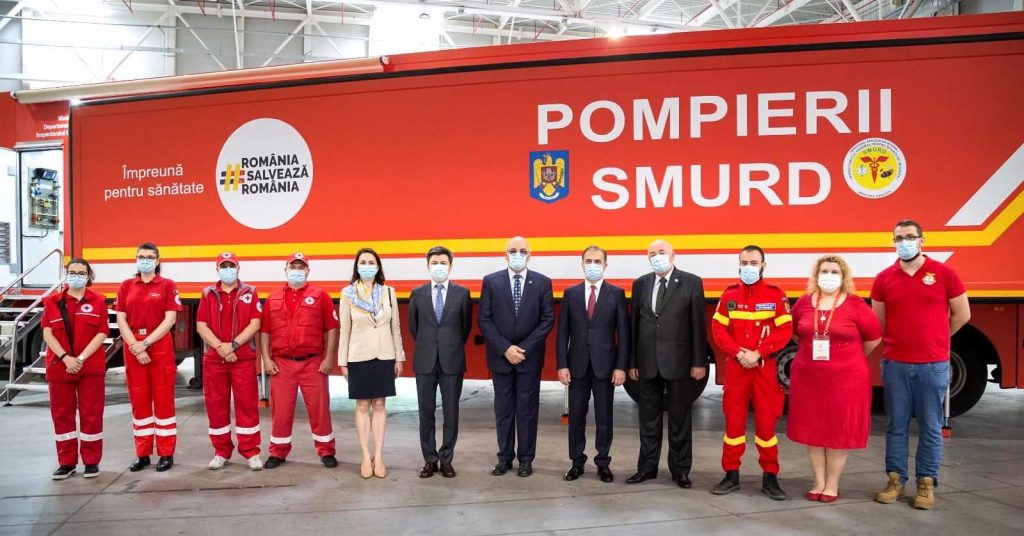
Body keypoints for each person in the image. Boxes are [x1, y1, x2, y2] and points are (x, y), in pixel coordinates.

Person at [872, 220, 970, 510]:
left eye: (910, 237)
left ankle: (926, 483)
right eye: (899, 238)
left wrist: (937, 338)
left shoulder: (944, 273)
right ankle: (895, 480)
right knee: (896, 425)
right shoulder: (884, 278)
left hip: (932, 365)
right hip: (895, 364)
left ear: (922, 240)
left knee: (930, 425)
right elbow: (879, 320)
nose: (904, 242)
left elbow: (962, 314)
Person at [786, 255, 881, 503]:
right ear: (816, 275)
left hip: (846, 380)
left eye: (834, 272)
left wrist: (848, 357)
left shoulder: (856, 304)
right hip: (809, 378)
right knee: (814, 428)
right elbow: (795, 333)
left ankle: (832, 483)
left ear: (844, 276)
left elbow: (873, 338)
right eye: (824, 271)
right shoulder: (804, 302)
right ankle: (818, 481)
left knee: (839, 430)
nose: (828, 276)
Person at [710, 246, 792, 500]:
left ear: (763, 266)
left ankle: (770, 477)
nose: (748, 267)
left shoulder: (776, 295)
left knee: (766, 427)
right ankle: (731, 475)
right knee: (733, 425)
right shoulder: (729, 295)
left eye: (753, 263)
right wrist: (738, 353)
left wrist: (758, 353)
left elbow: (785, 331)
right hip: (737, 369)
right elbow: (718, 330)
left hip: (764, 369)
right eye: (744, 263)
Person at [627, 239, 708, 488]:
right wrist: (632, 361)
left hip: (680, 363)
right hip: (647, 363)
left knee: (680, 420)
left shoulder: (691, 282)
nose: (657, 257)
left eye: (662, 252)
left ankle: (680, 470)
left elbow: (698, 325)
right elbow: (634, 326)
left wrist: (699, 362)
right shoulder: (640, 284)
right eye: (652, 254)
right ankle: (646, 468)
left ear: (673, 256)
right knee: (648, 421)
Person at [478, 236, 554, 477]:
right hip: (500, 358)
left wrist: (523, 349)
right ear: (505, 255)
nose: (517, 255)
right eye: (513, 251)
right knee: (503, 410)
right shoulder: (491, 281)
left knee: (527, 410)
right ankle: (504, 458)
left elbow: (547, 320)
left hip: (529, 359)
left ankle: (526, 459)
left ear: (530, 255)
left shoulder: (542, 282)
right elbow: (484, 319)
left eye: (522, 251)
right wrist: (505, 348)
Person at [556, 245, 629, 483]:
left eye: (598, 261)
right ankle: (576, 462)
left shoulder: (616, 294)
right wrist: (562, 364)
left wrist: (620, 366)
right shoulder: (571, 294)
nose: (593, 265)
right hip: (576, 366)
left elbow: (623, 333)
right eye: (589, 261)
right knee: (576, 416)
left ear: (605, 265)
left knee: (604, 417)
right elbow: (563, 332)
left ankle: (603, 463)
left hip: (605, 367)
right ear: (582, 264)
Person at [260, 253, 340, 469]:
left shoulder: (321, 296)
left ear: (307, 271)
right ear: (285, 270)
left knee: (320, 409)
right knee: (281, 411)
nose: (296, 271)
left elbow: (332, 328)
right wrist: (266, 359)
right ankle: (278, 452)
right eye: (293, 267)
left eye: (301, 267)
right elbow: (265, 331)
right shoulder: (273, 298)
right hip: (282, 364)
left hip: (313, 363)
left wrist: (329, 357)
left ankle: (326, 450)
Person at [338, 248, 405, 479]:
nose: (367, 266)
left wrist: (399, 356)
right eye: (363, 262)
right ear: (357, 267)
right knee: (362, 406)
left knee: (379, 405)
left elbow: (395, 327)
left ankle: (379, 455)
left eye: (371, 262)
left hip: (384, 355)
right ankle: (366, 456)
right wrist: (342, 361)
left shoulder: (388, 292)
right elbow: (344, 330)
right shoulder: (347, 293)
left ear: (378, 267)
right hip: (358, 356)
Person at [116, 243, 183, 472]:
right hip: (133, 346)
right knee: (139, 400)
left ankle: (166, 453)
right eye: (141, 256)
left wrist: (145, 344)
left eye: (150, 257)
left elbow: (170, 319)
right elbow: (121, 319)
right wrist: (135, 346)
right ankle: (142, 453)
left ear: (157, 260)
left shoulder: (167, 285)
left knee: (163, 400)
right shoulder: (126, 286)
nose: (145, 260)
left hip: (159, 346)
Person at [408, 246, 473, 479]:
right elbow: (414, 328)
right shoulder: (417, 294)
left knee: (451, 413)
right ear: (428, 266)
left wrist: (448, 345)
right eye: (434, 263)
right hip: (425, 361)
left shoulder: (462, 294)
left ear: (450, 266)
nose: (439, 266)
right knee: (425, 412)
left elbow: (465, 328)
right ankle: (429, 459)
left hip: (452, 361)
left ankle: (446, 460)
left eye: (443, 263)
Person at [195, 252, 264, 471]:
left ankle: (251, 452)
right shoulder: (208, 293)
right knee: (216, 407)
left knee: (247, 406)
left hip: (242, 359)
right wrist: (221, 348)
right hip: (214, 361)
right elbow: (201, 325)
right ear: (217, 270)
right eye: (223, 267)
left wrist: (232, 346)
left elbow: (255, 323)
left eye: (231, 266)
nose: (227, 270)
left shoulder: (250, 292)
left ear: (238, 268)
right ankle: (221, 452)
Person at [42, 258, 109, 480]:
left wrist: (79, 359)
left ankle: (91, 461)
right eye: (72, 272)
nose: (76, 276)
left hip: (89, 366)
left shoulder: (98, 301)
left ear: (88, 276)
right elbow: (47, 333)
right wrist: (65, 358)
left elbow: (102, 333)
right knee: (62, 414)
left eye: (81, 273)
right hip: (60, 366)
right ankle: (66, 462)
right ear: (66, 273)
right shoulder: (52, 301)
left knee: (92, 414)